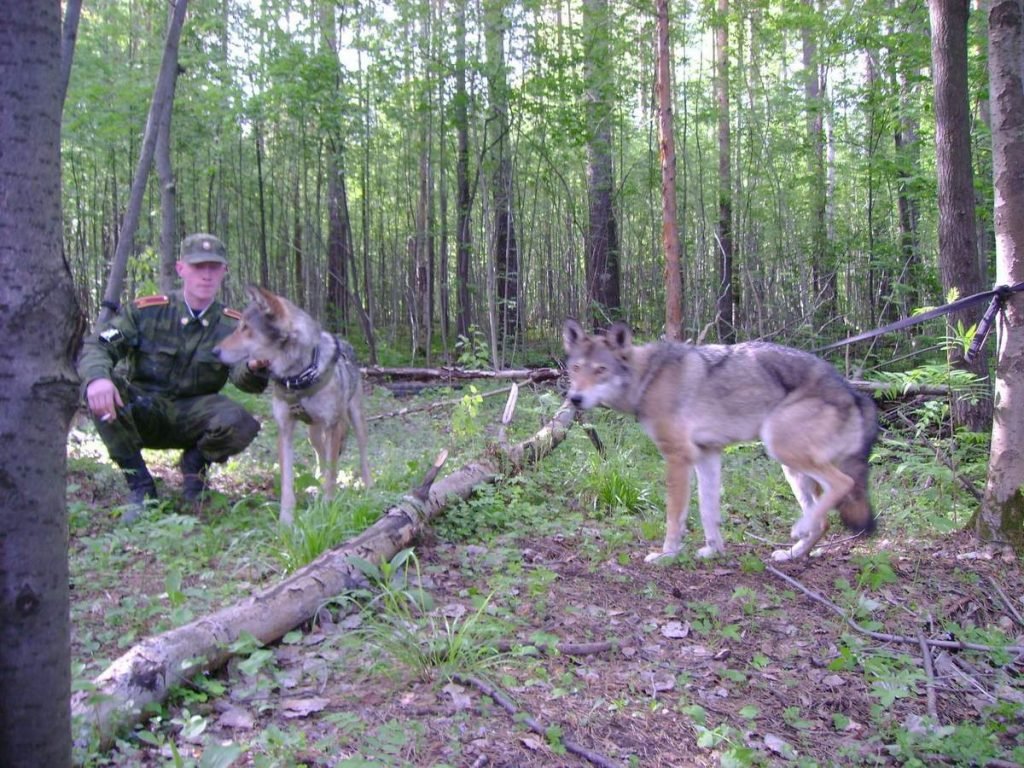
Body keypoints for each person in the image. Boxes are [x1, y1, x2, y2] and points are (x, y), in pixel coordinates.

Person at [78, 233, 269, 521]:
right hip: (144, 408)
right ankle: (141, 487)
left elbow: (242, 377)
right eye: (198, 267)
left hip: (193, 413)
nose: (206, 275)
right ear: (181, 269)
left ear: (224, 272)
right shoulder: (148, 312)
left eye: (213, 268)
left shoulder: (232, 324)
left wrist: (255, 367)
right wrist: (97, 379)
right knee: (103, 389)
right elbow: (99, 345)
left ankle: (195, 469)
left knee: (240, 423)